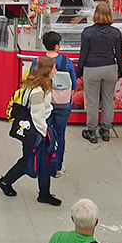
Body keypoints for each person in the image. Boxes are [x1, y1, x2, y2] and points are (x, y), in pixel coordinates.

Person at [0, 57, 60, 205]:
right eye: (53, 68)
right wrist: (45, 134)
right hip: (37, 131)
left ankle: (43, 193)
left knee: (40, 162)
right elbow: (37, 116)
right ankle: (6, 181)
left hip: (35, 130)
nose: (56, 70)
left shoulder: (40, 85)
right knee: (29, 161)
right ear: (47, 71)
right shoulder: (37, 92)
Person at [77, 3, 122, 145]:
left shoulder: (87, 32)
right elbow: (119, 55)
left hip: (92, 69)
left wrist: (79, 71)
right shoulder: (116, 33)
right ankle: (106, 130)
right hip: (110, 68)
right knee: (108, 100)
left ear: (95, 14)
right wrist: (120, 70)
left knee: (92, 102)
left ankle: (91, 131)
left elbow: (83, 54)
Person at [42, 31, 76, 178]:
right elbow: (74, 84)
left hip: (44, 104)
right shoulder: (66, 62)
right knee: (60, 135)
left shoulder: (39, 61)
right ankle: (57, 167)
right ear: (57, 46)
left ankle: (43, 164)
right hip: (62, 105)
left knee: (45, 134)